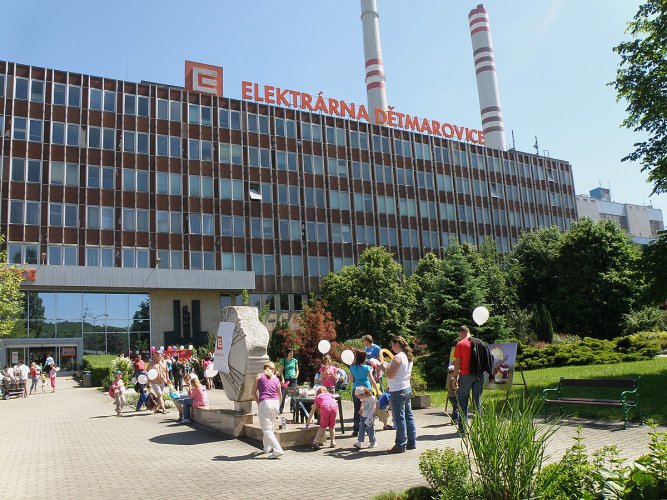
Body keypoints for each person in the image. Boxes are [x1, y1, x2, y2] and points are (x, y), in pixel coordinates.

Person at [379, 336, 416, 454]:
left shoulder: (398, 357)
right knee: (408, 416)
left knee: (399, 418)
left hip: (397, 390)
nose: (391, 347)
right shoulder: (408, 356)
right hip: (406, 388)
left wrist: (382, 367)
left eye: (392, 344)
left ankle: (400, 444)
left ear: (397, 344)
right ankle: (411, 442)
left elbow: (390, 375)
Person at [451, 325, 482, 435]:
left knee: (463, 401)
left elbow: (457, 362)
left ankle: (463, 429)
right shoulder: (479, 342)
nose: (459, 337)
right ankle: (479, 428)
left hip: (465, 375)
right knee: (477, 401)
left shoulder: (460, 344)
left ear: (462, 333)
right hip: (479, 375)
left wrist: (454, 377)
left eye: (459, 334)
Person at [251, 361, 284, 459]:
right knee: (270, 427)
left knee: (266, 429)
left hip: (265, 403)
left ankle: (277, 450)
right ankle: (267, 448)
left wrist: (258, 403)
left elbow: (253, 393)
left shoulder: (259, 376)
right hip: (275, 403)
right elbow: (280, 395)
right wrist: (278, 405)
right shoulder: (276, 379)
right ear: (273, 369)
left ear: (264, 368)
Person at [348, 349, 379, 437]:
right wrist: (377, 390)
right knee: (369, 410)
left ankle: (356, 429)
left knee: (357, 409)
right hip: (366, 390)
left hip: (356, 389)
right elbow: (372, 380)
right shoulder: (367, 367)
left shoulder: (352, 367)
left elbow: (350, 380)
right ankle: (369, 429)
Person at [279, 349, 299, 414]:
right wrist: (282, 379)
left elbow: (297, 369)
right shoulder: (284, 361)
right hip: (286, 380)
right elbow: (281, 371)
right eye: (290, 352)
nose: (292, 354)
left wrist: (296, 375)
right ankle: (280, 408)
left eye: (292, 353)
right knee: (283, 393)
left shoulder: (295, 360)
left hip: (293, 380)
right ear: (288, 353)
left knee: (293, 394)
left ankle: (293, 408)